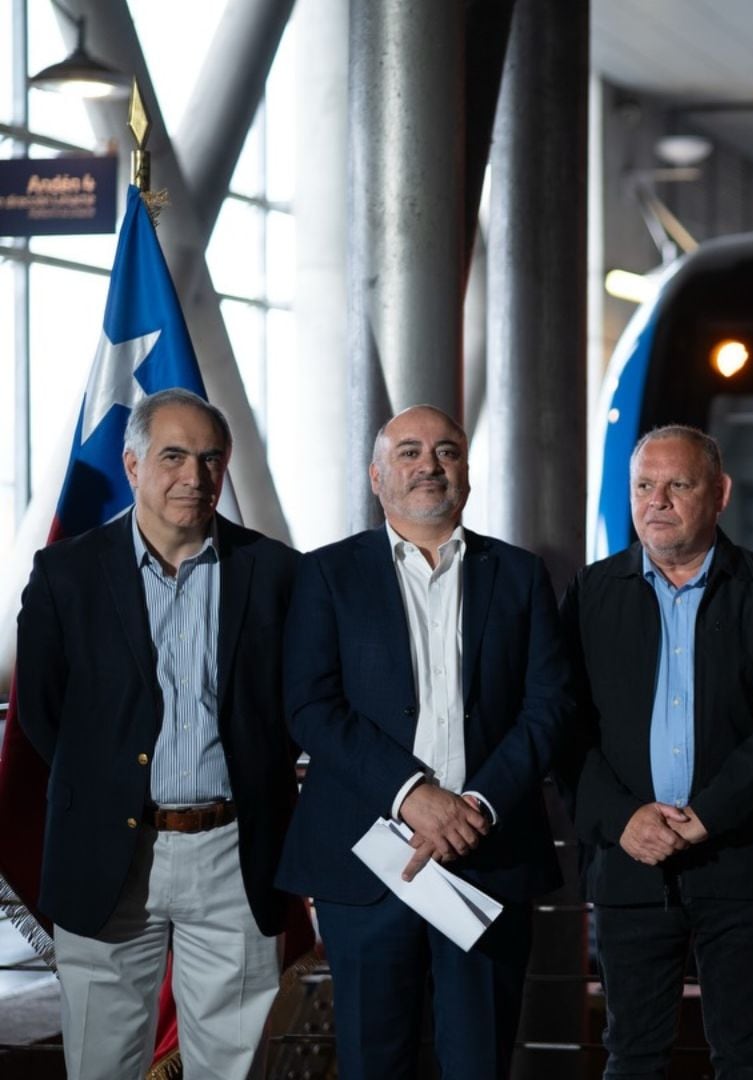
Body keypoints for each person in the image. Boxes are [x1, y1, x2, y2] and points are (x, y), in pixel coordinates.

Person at [12, 389, 299, 1080]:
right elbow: (41, 712)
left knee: (230, 1068)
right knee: (102, 1063)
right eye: (173, 457)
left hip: (235, 851)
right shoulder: (66, 574)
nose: (193, 478)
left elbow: (292, 707)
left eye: (209, 460)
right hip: (108, 850)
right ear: (133, 464)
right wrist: (109, 786)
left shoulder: (278, 572)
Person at [278, 405, 568, 1080]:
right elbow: (311, 708)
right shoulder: (325, 575)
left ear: (466, 472)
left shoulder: (521, 574)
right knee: (373, 1065)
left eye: (447, 451)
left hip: (486, 857)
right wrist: (415, 797)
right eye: (408, 452)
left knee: (480, 1063)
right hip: (368, 863)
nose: (429, 465)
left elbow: (550, 707)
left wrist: (475, 806)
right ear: (378, 476)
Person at [560, 425, 753, 1080]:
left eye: (679, 484)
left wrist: (707, 814)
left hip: (739, 862)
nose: (659, 501)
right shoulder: (590, 595)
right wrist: (624, 820)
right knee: (632, 1056)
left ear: (720, 493)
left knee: (745, 1057)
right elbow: (563, 730)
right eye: (645, 486)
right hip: (629, 864)